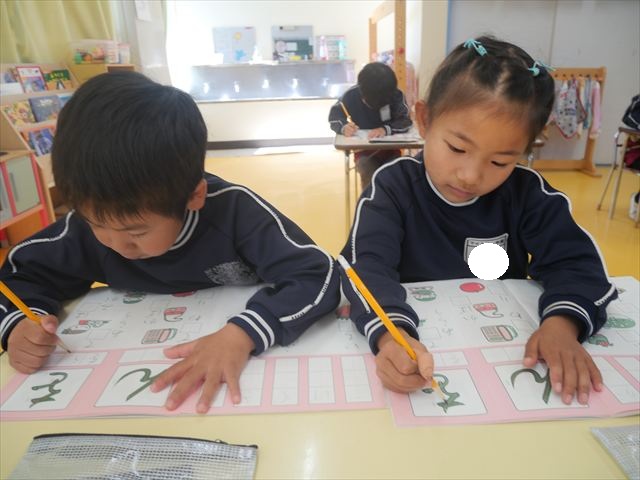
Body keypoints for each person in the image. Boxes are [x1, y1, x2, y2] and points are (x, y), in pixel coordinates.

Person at [0, 71, 341, 413]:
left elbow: (318, 275)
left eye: (136, 233)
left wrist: (243, 333)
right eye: (96, 224)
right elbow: (19, 275)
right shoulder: (84, 227)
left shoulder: (236, 213)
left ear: (194, 196)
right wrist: (18, 324)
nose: (114, 243)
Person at [339, 36, 617, 406]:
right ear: (425, 120)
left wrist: (562, 325)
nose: (471, 176)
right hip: (420, 346)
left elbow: (576, 262)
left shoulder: (526, 193)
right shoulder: (392, 188)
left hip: (503, 361)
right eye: (457, 148)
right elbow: (366, 267)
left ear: (525, 150)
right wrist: (391, 335)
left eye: (500, 161)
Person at [328, 62, 412, 189]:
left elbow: (405, 120)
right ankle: (371, 200)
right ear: (361, 92)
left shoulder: (395, 94)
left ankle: (391, 201)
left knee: (394, 173)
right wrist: (344, 127)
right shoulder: (351, 95)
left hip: (391, 150)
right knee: (367, 170)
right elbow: (334, 117)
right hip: (363, 151)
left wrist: (385, 129)